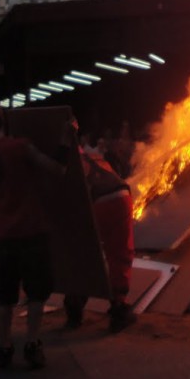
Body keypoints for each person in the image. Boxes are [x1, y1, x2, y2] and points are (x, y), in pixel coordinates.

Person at [0, 101, 68, 370]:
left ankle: (4, 346)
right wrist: (64, 141)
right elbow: (56, 169)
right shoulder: (20, 147)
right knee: (36, 291)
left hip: (3, 235)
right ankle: (32, 343)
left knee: (3, 295)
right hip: (32, 231)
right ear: (1, 118)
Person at [63, 142, 137, 334]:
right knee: (119, 254)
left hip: (97, 202)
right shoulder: (93, 156)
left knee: (83, 254)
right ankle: (119, 309)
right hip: (121, 197)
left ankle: (75, 305)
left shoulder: (66, 164)